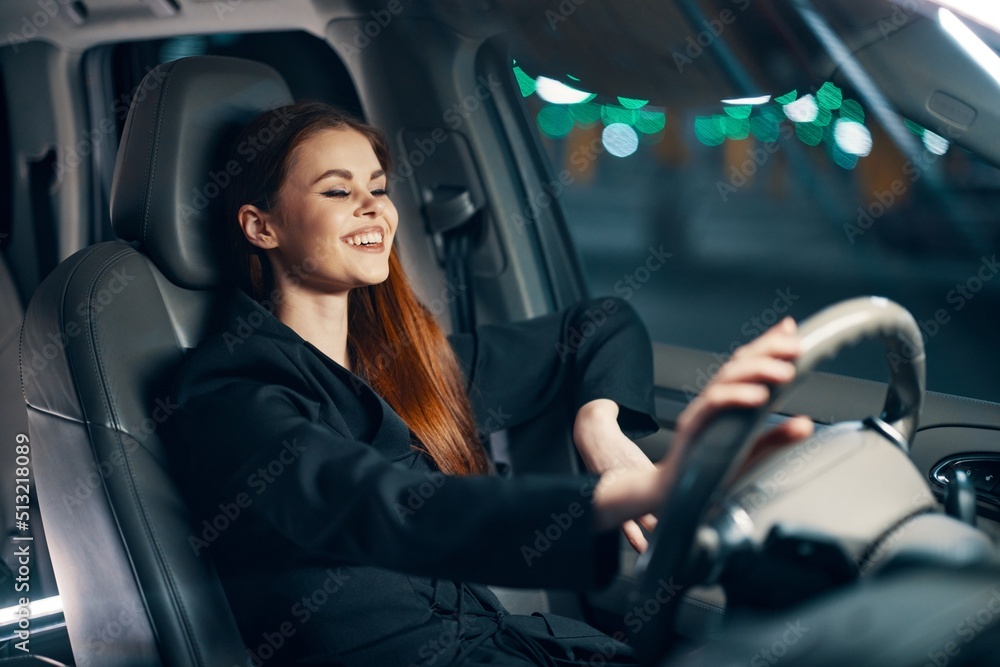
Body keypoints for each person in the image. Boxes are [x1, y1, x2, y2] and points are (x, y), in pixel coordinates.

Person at [167, 101, 814, 666]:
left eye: (379, 186)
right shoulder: (230, 396)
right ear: (261, 226)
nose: (372, 207)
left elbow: (596, 326)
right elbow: (396, 508)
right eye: (338, 191)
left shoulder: (398, 366)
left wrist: (599, 426)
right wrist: (643, 486)